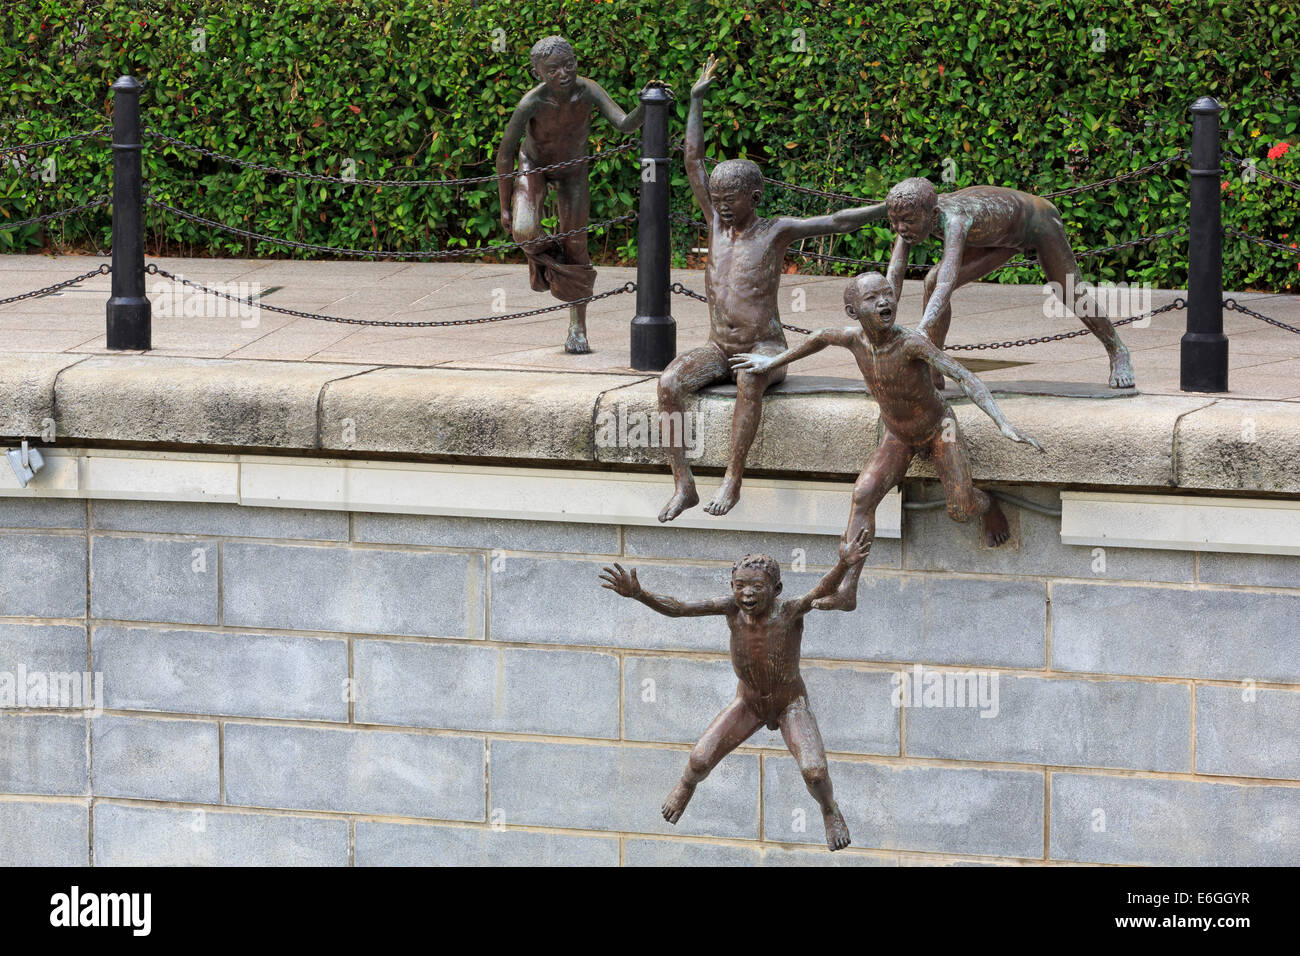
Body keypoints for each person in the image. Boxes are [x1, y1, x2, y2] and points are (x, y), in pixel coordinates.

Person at [657, 55, 887, 522]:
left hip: (764, 348)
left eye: (729, 200)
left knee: (749, 378)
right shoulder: (715, 226)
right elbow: (692, 159)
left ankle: (733, 478)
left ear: (754, 199)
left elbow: (836, 221)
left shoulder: (775, 231)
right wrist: (696, 101)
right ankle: (684, 484)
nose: (719, 207)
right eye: (715, 200)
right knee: (668, 383)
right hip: (718, 346)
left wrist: (886, 206)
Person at [731, 271, 1044, 611]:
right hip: (898, 434)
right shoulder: (852, 339)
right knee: (863, 494)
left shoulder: (911, 343)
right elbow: (818, 338)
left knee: (960, 508)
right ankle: (848, 589)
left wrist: (1003, 422)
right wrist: (771, 361)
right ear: (853, 311)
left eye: (888, 294)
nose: (884, 302)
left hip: (940, 428)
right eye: (872, 298)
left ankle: (988, 505)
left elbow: (964, 376)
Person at [598, 529, 873, 851]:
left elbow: (820, 590)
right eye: (740, 586)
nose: (747, 595)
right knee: (699, 759)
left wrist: (842, 565)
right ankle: (687, 785)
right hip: (749, 703)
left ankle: (829, 808)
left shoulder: (788, 611)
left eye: (757, 587)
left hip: (789, 704)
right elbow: (680, 609)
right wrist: (640, 594)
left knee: (814, 771)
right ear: (732, 587)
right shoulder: (730, 609)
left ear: (776, 589)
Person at [884, 176, 1136, 388]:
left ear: (932, 214)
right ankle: (932, 369)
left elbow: (947, 281)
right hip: (997, 235)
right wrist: (881, 320)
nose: (900, 228)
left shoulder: (954, 219)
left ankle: (1118, 351)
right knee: (931, 280)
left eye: (906, 221)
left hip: (1036, 222)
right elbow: (894, 275)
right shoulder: (914, 212)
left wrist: (920, 331)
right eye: (895, 221)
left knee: (1071, 292)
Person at [497, 36, 655, 353]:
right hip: (535, 165)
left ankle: (577, 327)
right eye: (553, 69)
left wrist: (646, 104)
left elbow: (624, 125)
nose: (564, 73)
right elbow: (505, 154)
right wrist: (505, 207)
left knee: (577, 246)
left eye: (569, 64)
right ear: (538, 73)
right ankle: (553, 256)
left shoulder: (589, 90)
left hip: (573, 170)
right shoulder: (531, 102)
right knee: (524, 231)